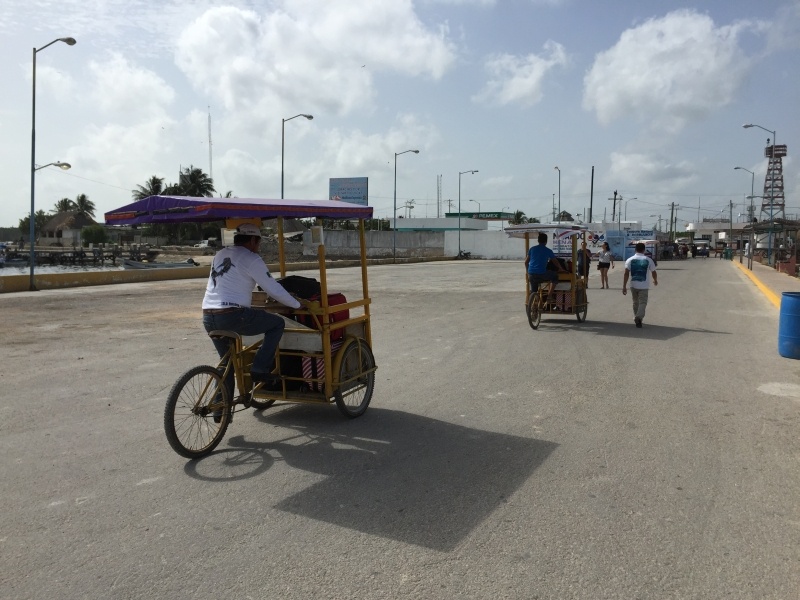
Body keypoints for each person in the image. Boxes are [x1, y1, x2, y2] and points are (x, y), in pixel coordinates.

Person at [202, 223, 302, 392]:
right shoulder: (251, 258)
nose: (258, 247)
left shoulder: (220, 254)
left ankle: (220, 410)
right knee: (276, 324)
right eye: (258, 243)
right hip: (232, 315)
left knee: (226, 362)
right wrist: (297, 304)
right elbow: (273, 288)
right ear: (253, 240)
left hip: (208, 316)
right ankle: (260, 369)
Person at [622, 242, 658, 328]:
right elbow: (653, 272)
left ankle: (637, 319)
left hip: (633, 285)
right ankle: (638, 317)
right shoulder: (648, 260)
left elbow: (626, 274)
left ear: (635, 249)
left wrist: (624, 286)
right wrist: (655, 280)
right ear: (644, 250)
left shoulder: (629, 260)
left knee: (635, 302)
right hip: (644, 286)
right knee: (643, 302)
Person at [525, 232, 566, 302]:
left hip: (531, 274)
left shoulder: (532, 249)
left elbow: (526, 262)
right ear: (546, 241)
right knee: (555, 276)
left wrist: (528, 272)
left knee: (534, 290)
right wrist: (561, 268)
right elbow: (555, 261)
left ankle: (534, 302)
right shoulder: (548, 251)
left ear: (538, 240)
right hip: (542, 274)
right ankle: (549, 297)